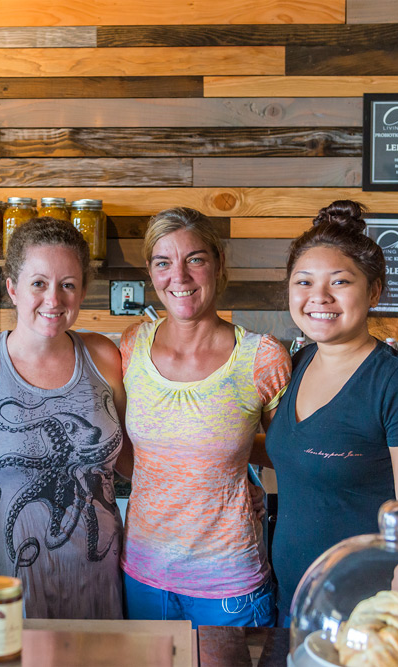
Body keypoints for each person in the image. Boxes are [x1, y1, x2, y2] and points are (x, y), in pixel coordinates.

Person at [264, 200, 398, 625]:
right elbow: (303, 450)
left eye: (340, 282)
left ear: (373, 292)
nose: (319, 297)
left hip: (366, 613)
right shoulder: (298, 364)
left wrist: (389, 625)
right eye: (304, 282)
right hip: (294, 604)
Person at [0, 217, 126, 619]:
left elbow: (132, 450)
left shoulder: (105, 356)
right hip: (15, 585)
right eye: (38, 283)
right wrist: (12, 465)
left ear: (83, 292)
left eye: (68, 284)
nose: (53, 299)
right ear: (12, 288)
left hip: (103, 580)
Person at [118, 207, 291, 628]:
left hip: (229, 583)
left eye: (194, 259)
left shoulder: (261, 357)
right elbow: (124, 446)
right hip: (143, 574)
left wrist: (236, 480)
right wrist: (200, 472)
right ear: (151, 271)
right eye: (163, 262)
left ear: (218, 263)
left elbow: (290, 455)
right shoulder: (130, 346)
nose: (179, 276)